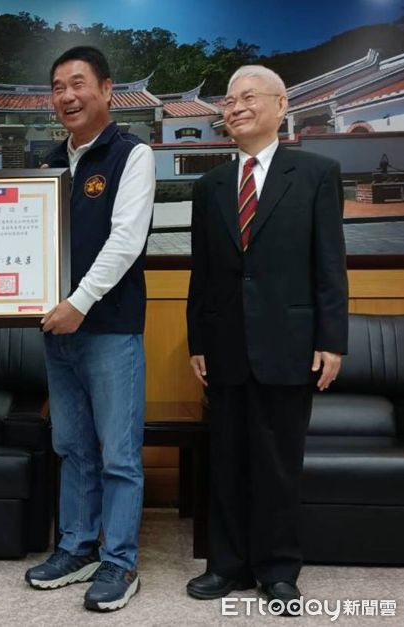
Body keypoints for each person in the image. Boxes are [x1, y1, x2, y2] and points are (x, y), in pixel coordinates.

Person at [185, 65, 348, 609]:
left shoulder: (317, 173)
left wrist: (333, 339)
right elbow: (202, 274)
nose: (234, 108)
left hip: (291, 342)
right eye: (228, 101)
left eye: (247, 97)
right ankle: (225, 566)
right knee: (226, 460)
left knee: (279, 463)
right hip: (225, 344)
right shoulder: (209, 186)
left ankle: (279, 569)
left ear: (281, 106)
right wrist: (196, 342)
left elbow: (330, 264)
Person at [24, 46, 155, 612]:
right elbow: (24, 239)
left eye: (78, 83)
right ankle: (76, 546)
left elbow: (126, 241)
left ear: (106, 89)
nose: (67, 96)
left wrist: (79, 301)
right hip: (58, 330)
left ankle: (120, 562)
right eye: (57, 87)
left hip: (110, 328)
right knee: (71, 445)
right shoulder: (47, 161)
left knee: (119, 452)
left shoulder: (133, 154)